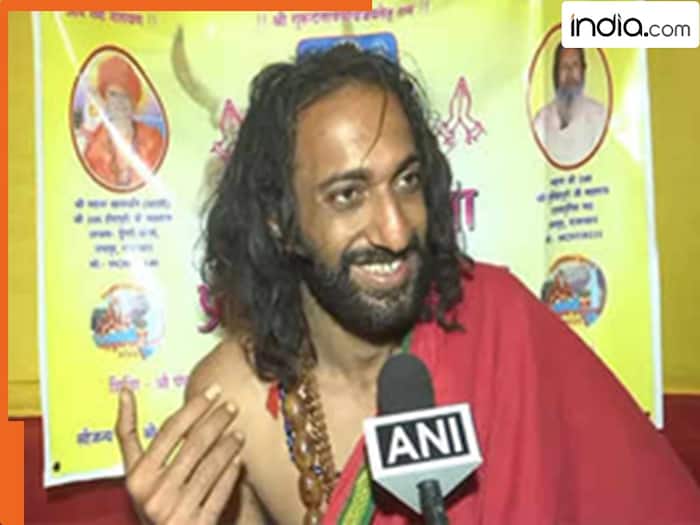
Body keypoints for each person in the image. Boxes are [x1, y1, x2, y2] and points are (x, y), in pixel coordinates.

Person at [116, 45, 700, 524]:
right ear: (279, 221)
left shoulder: (501, 320)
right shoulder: (233, 403)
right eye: (348, 195)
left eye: (407, 180)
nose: (396, 231)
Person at [83, 55, 165, 189]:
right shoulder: (93, 149)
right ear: (105, 99)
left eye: (126, 95)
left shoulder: (153, 140)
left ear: (134, 101)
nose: (119, 102)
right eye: (113, 94)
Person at [533, 44, 606, 165]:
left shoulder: (599, 116)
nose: (570, 72)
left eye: (575, 65)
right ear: (556, 72)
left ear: (583, 70)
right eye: (564, 66)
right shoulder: (541, 120)